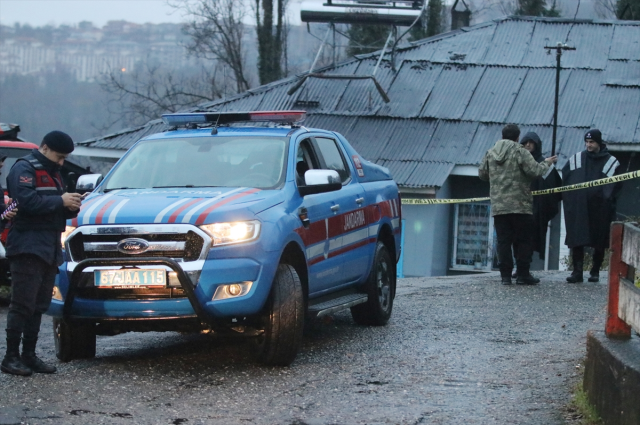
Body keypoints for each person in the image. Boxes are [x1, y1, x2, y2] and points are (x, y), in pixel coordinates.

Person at [1, 131, 82, 376]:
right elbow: (26, 203)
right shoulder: (24, 169)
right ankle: (10, 357)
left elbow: (51, 205)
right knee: (22, 304)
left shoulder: (54, 172)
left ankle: (29, 355)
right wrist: (61, 201)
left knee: (39, 305)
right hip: (27, 244)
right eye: (59, 157)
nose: (61, 162)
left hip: (48, 244)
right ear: (45, 148)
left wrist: (71, 205)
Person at [479, 124, 557, 285]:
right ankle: (523, 274)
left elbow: (482, 174)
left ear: (502, 136)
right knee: (523, 241)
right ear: (517, 138)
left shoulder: (490, 152)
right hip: (520, 205)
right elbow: (535, 171)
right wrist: (547, 162)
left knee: (503, 241)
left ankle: (505, 277)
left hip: (499, 207)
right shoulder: (520, 152)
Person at [562, 129, 622, 283]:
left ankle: (595, 271)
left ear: (599, 142)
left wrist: (604, 199)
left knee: (599, 239)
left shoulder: (611, 162)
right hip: (579, 207)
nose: (588, 145)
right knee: (577, 237)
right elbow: (567, 179)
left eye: (592, 142)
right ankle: (577, 272)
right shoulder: (577, 159)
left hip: (600, 208)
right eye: (587, 142)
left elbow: (615, 186)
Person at [511, 132, 562, 277]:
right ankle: (518, 267)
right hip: (517, 207)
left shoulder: (544, 164)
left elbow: (554, 189)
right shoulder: (517, 161)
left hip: (535, 210)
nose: (528, 145)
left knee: (529, 241)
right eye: (526, 142)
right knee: (516, 239)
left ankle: (524, 269)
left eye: (531, 143)